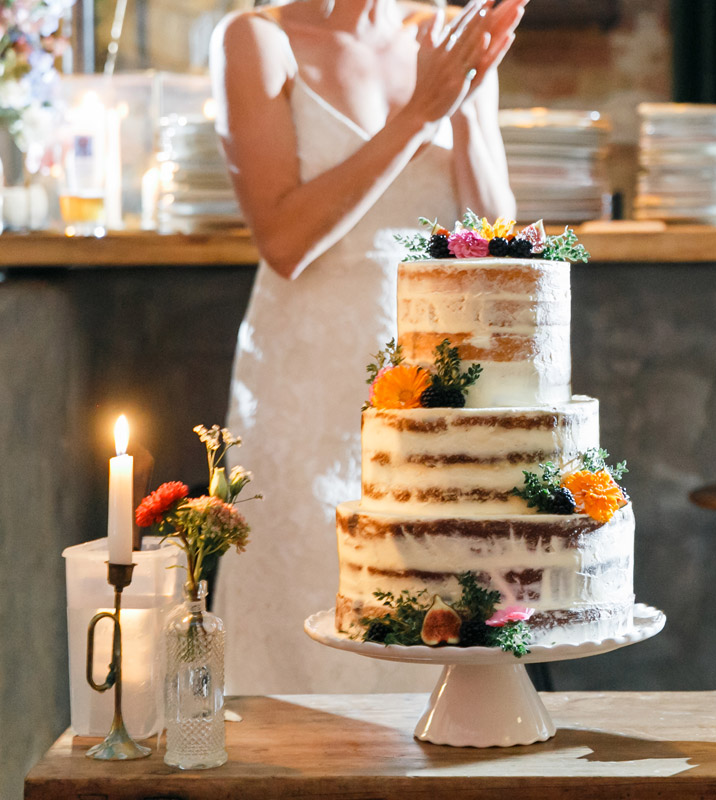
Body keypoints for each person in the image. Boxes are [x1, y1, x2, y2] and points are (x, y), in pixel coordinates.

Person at [209, 0, 525, 694]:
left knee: (429, 649)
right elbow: (284, 241)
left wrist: (466, 106)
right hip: (305, 392)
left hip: (430, 399)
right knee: (302, 640)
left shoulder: (442, 36)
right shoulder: (256, 40)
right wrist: (420, 114)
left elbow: (493, 247)